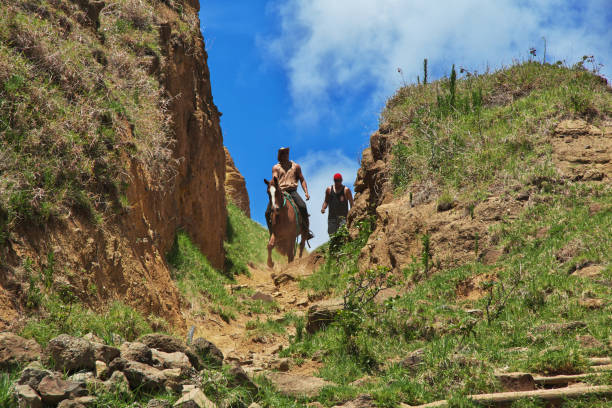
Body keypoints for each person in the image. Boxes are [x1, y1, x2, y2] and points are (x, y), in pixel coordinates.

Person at [265, 147, 314, 240]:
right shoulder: (276, 167)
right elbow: (274, 178)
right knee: (267, 213)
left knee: (302, 206)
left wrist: (306, 192)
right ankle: (272, 233)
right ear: (280, 155)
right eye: (283, 153)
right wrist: (274, 182)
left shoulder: (296, 166)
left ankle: (306, 231)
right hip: (280, 191)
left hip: (292, 191)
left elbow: (302, 179)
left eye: (286, 153)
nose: (285, 155)